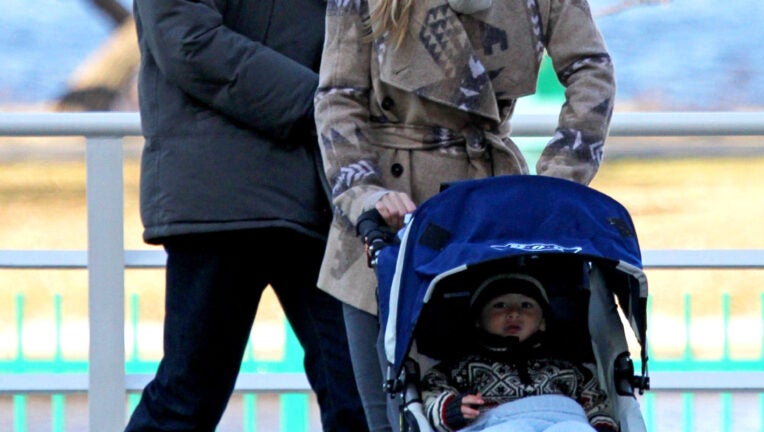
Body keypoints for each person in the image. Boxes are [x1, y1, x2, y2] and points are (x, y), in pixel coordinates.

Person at [314, 0, 615, 430]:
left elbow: (591, 69)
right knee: (387, 414)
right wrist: (363, 192)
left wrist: (560, 178)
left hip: (493, 218)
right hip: (390, 216)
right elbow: (338, 96)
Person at [125, 1, 368, 431]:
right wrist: (326, 104)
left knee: (360, 392)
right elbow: (190, 43)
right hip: (227, 195)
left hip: (310, 191)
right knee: (187, 397)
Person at [420, 273, 619, 432]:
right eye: (500, 305)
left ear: (543, 322)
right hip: (496, 423)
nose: (514, 313)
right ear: (478, 320)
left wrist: (602, 426)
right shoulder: (462, 367)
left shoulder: (568, 368)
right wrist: (451, 410)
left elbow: (597, 404)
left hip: (560, 418)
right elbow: (432, 392)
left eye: (526, 305)